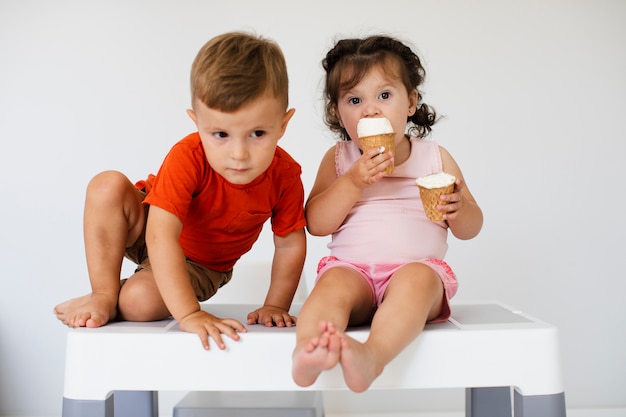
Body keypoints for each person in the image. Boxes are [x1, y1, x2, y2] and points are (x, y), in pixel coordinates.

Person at [54, 32, 307, 350]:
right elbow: (159, 235)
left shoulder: (284, 175)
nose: (238, 154)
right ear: (197, 123)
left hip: (200, 264)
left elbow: (289, 246)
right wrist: (189, 314)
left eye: (257, 133)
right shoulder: (188, 156)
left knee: (138, 303)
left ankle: (122, 294)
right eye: (220, 134)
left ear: (283, 125)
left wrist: (275, 306)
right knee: (106, 186)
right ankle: (102, 294)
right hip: (151, 227)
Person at [292, 35, 483, 392]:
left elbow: (471, 228)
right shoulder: (340, 160)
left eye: (384, 95)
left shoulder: (434, 157)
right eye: (354, 99)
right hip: (352, 271)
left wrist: (459, 209)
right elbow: (316, 223)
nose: (371, 109)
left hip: (414, 270)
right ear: (337, 112)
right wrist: (352, 182)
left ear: (410, 101)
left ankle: (372, 357)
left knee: (416, 280)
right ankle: (308, 351)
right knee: (331, 289)